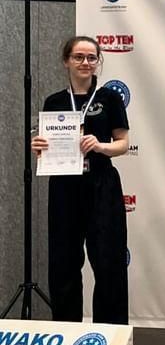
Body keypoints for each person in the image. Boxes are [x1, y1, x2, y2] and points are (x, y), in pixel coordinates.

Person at [31, 35, 130, 323]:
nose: (85, 62)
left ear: (98, 61)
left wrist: (100, 146)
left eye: (91, 57)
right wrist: (39, 147)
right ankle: (66, 331)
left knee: (109, 261)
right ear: (66, 61)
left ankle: (110, 334)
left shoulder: (109, 98)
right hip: (65, 186)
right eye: (78, 57)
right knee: (63, 261)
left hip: (102, 184)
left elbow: (123, 144)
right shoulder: (55, 101)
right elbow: (48, 147)